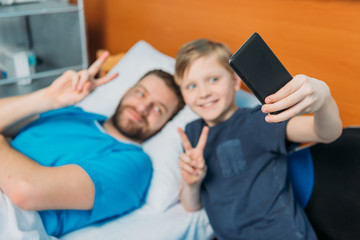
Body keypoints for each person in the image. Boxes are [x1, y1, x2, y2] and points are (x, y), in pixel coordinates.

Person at [0, 51, 185, 237]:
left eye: (158, 109)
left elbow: (25, 190)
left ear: (165, 124)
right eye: (140, 93)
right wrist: (47, 98)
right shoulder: (75, 114)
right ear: (127, 90)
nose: (143, 108)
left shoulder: (133, 164)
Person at [174, 39, 342, 240]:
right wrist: (192, 182)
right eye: (191, 86)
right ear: (183, 94)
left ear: (235, 81)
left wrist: (324, 101)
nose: (203, 93)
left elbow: (326, 133)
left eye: (213, 80)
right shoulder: (192, 134)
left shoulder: (257, 121)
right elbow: (191, 206)